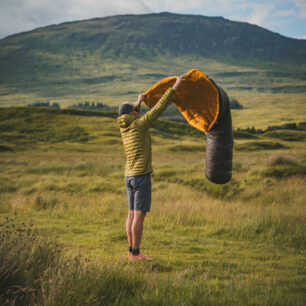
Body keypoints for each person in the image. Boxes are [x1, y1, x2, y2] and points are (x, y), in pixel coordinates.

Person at [117, 75, 185, 261]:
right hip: (141, 176)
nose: (138, 112)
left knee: (131, 214)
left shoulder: (125, 127)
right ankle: (137, 254)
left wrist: (138, 101)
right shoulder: (140, 124)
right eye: (136, 110)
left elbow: (133, 112)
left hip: (128, 176)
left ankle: (131, 252)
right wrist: (175, 87)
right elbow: (158, 109)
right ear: (133, 114)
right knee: (139, 215)